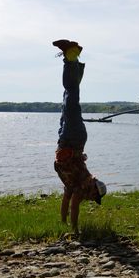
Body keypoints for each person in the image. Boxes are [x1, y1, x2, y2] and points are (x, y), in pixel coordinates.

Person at [52, 39, 106, 233]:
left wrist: (64, 224)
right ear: (94, 190)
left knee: (68, 100)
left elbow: (67, 201)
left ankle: (73, 60)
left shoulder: (73, 185)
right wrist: (75, 231)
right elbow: (74, 204)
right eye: (95, 197)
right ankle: (70, 57)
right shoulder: (83, 186)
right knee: (71, 97)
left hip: (66, 141)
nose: (92, 200)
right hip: (73, 139)